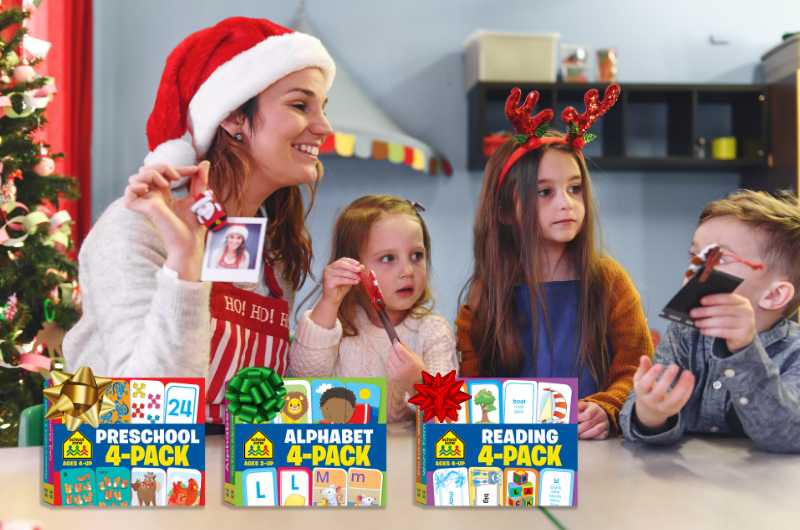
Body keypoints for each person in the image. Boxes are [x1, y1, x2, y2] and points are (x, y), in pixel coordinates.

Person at [63, 17, 336, 424]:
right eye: (300, 105)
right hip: (116, 474)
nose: (324, 127)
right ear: (231, 118)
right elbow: (140, 413)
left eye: (322, 108)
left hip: (232, 477)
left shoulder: (275, 252)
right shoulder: (135, 227)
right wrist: (184, 265)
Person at [456, 86, 653, 439]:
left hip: (595, 453)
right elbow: (471, 382)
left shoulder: (609, 280)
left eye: (574, 188)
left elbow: (636, 369)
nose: (566, 203)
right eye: (545, 192)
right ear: (503, 210)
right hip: (513, 456)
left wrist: (608, 406)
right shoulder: (488, 291)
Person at [620, 190, 800, 453]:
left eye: (719, 258)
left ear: (774, 295)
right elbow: (638, 420)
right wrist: (651, 413)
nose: (694, 271)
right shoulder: (683, 335)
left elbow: (789, 436)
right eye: (695, 257)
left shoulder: (794, 353)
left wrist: (744, 350)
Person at [290, 195, 458, 422]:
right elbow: (305, 376)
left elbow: (448, 422)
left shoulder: (434, 333)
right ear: (353, 267)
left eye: (417, 255)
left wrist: (417, 384)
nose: (408, 270)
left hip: (407, 457)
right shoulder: (339, 326)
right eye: (389, 258)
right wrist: (329, 303)